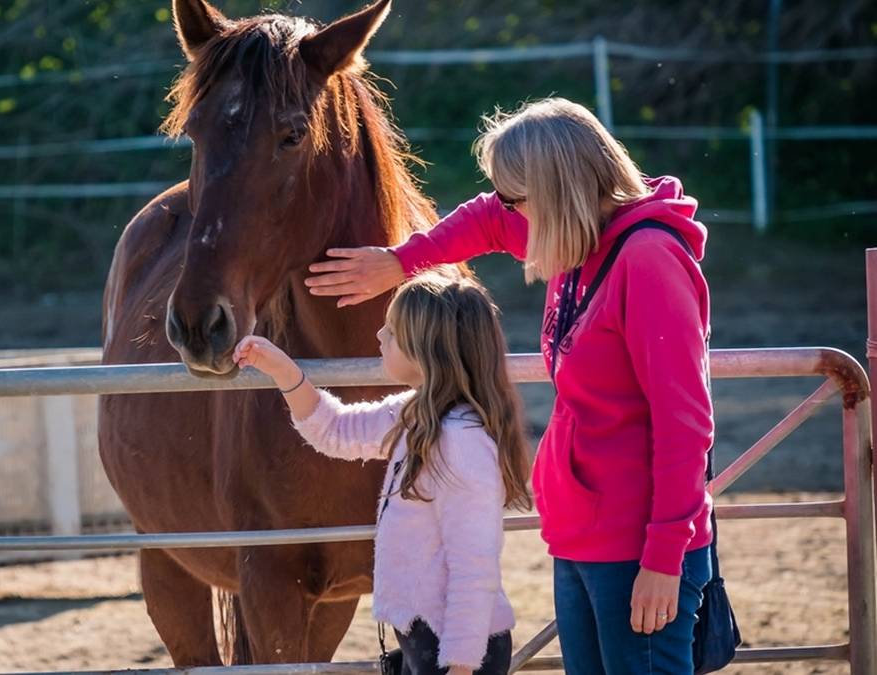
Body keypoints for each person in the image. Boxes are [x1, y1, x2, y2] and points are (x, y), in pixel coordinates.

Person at [304, 97, 715, 674]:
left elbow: (684, 424)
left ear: (558, 191)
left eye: (516, 198)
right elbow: (487, 219)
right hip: (583, 534)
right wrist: (403, 262)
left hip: (637, 547)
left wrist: (665, 558)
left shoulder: (647, 260)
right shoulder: (577, 239)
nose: (508, 212)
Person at [233, 273, 532, 675]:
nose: (379, 334)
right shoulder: (414, 414)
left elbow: (474, 565)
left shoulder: (461, 442)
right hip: (423, 634)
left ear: (426, 349)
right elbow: (334, 430)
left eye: (391, 331)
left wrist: (460, 664)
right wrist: (283, 371)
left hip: (458, 647)